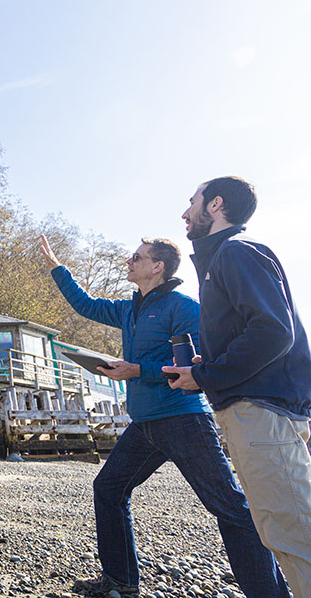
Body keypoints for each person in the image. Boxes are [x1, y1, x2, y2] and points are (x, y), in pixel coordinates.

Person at [39, 233, 288, 597]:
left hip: (184, 420)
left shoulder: (183, 307)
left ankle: (269, 592)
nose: (130, 261)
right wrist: (57, 268)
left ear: (158, 267)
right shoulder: (128, 309)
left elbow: (191, 366)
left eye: (137, 257)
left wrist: (137, 370)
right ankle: (121, 583)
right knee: (108, 488)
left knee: (229, 507)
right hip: (145, 425)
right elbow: (86, 305)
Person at [165, 176, 311, 597]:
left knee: (295, 536)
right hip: (259, 413)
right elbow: (259, 332)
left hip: (262, 413)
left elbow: (273, 331)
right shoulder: (225, 259)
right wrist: (205, 366)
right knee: (283, 531)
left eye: (191, 201)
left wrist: (207, 375)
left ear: (215, 205)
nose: (184, 212)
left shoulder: (236, 253)